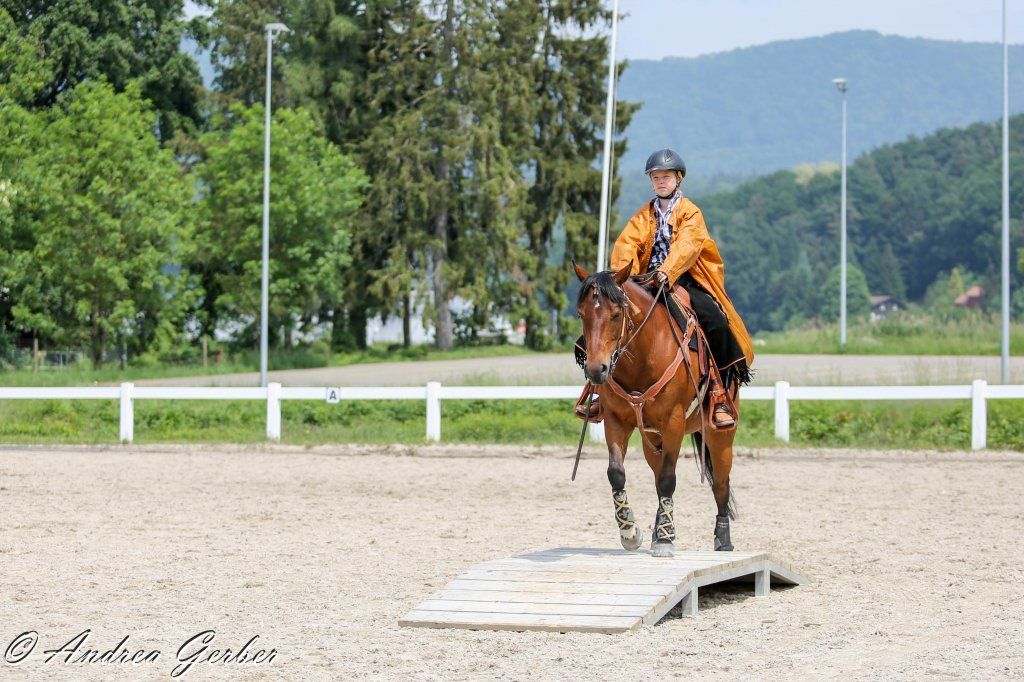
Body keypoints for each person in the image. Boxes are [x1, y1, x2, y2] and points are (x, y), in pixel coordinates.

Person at [609, 148, 754, 428]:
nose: (660, 181)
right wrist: (622, 278)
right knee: (605, 318)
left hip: (684, 278)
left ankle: (719, 393)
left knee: (715, 321)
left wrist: (667, 271)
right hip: (646, 280)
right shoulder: (643, 215)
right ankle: (597, 391)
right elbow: (627, 245)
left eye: (666, 176)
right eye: (655, 177)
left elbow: (688, 245)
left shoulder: (690, 213)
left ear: (678, 178)